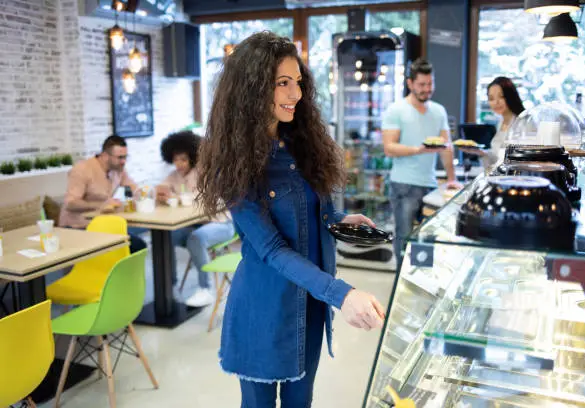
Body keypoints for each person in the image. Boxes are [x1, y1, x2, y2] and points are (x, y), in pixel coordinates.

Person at [195, 31, 385, 408]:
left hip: (310, 304)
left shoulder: (304, 145)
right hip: (263, 309)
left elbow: (321, 213)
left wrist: (343, 222)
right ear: (251, 89)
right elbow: (272, 248)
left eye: (297, 82)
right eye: (282, 83)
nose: (295, 94)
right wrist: (342, 294)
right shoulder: (234, 165)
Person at [381, 58, 461, 272]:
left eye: (430, 84)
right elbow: (389, 148)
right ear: (410, 84)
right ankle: (402, 280)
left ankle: (421, 280)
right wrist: (419, 149)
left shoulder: (439, 111)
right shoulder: (396, 110)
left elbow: (446, 146)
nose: (427, 89)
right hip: (403, 185)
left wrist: (451, 178)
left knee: (428, 239)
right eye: (422, 85)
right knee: (404, 239)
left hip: (430, 185)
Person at [156, 130, 236, 307]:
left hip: (221, 224)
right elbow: (161, 188)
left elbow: (203, 198)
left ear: (193, 157)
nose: (179, 164)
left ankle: (205, 289)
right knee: (165, 237)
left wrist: (175, 198)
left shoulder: (206, 172)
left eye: (183, 159)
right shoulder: (174, 175)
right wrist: (161, 194)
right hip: (195, 224)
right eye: (176, 159)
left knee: (195, 239)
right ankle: (170, 286)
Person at [58, 135, 147, 254]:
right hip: (77, 227)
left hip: (101, 226)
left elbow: (134, 188)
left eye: (125, 157)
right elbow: (70, 203)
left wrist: (149, 194)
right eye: (120, 157)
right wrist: (100, 205)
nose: (123, 161)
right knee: (134, 247)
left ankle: (122, 273)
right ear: (105, 156)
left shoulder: (118, 169)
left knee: (139, 246)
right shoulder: (82, 170)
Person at [458, 76, 525, 170]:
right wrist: (480, 152)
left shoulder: (523, 122)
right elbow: (497, 158)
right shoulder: (500, 123)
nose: (496, 102)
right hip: (500, 177)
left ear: (510, 96)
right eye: (491, 98)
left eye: (501, 97)